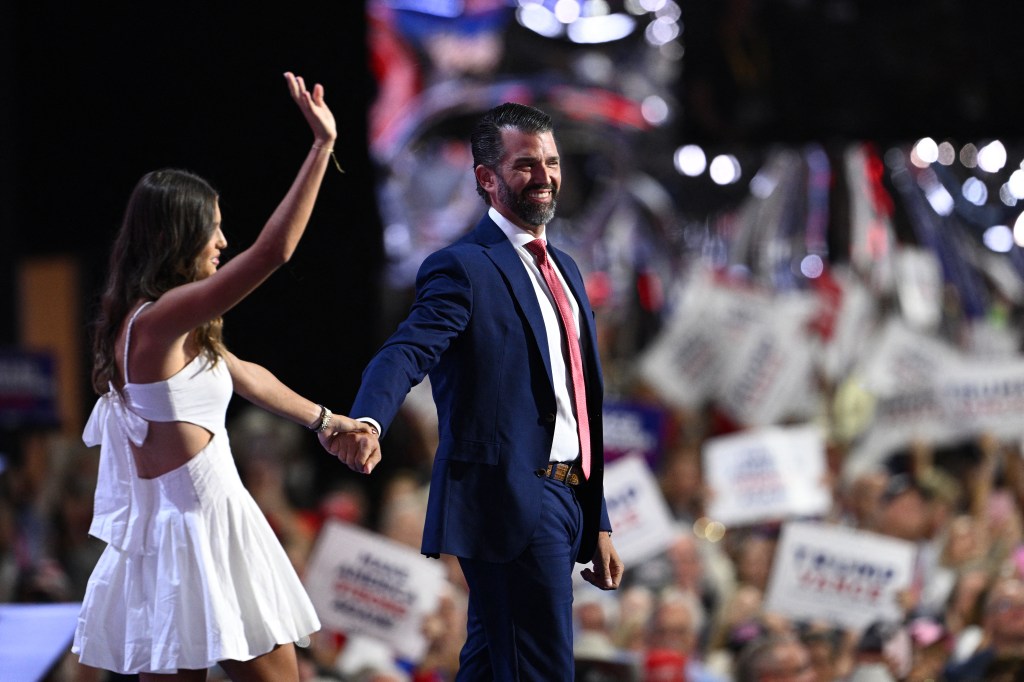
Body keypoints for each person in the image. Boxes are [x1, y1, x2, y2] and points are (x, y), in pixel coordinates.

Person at [72, 72, 376, 681]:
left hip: (215, 529)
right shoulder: (157, 322)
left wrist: (325, 419)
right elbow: (272, 252)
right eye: (211, 227)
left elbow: (244, 375)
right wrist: (322, 148)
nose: (222, 240)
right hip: (188, 539)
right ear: (177, 236)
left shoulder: (180, 328)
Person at [331, 101, 623, 680]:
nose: (544, 176)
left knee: (491, 665)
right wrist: (368, 420)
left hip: (567, 500)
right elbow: (406, 350)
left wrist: (600, 519)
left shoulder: (565, 268)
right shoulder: (462, 266)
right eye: (525, 165)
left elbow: (576, 409)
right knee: (541, 671)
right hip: (511, 502)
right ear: (487, 179)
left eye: (552, 162)